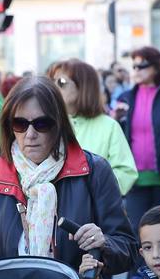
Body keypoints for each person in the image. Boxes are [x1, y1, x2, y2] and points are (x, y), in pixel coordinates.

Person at [0, 75, 136, 275]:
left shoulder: (94, 171)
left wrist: (104, 244)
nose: (30, 134)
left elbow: (127, 249)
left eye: (41, 124)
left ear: (59, 124)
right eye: (20, 123)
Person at [114, 46, 160, 225]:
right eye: (134, 66)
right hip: (135, 180)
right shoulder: (125, 98)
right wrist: (116, 118)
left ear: (156, 67)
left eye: (142, 65)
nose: (136, 70)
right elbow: (114, 136)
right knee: (138, 233)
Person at [48, 58, 137, 195]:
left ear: (83, 86)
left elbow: (126, 173)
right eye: (52, 81)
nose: (54, 87)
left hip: (93, 211)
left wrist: (90, 190)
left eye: (61, 82)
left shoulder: (109, 126)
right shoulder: (46, 124)